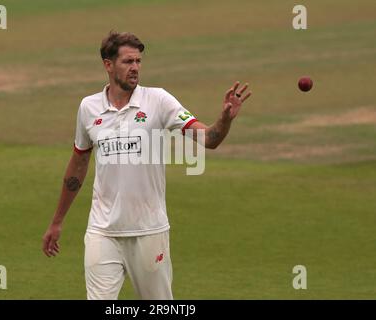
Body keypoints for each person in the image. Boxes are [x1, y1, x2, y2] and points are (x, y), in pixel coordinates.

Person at [42, 31, 251, 300]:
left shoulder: (159, 101)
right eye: (128, 62)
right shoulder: (88, 108)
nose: (135, 68)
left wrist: (225, 120)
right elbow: (78, 163)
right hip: (102, 232)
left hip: (149, 232)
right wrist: (57, 221)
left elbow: (209, 139)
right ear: (108, 64)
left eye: (138, 62)